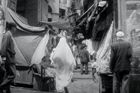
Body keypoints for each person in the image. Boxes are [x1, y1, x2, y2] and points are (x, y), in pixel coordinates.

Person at [0, 22, 17, 93]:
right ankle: (1, 87)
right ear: (13, 28)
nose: (16, 30)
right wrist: (3, 58)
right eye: (15, 28)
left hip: (11, 58)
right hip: (9, 59)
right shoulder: (7, 35)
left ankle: (7, 91)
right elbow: (4, 47)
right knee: (13, 74)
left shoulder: (9, 35)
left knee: (8, 75)